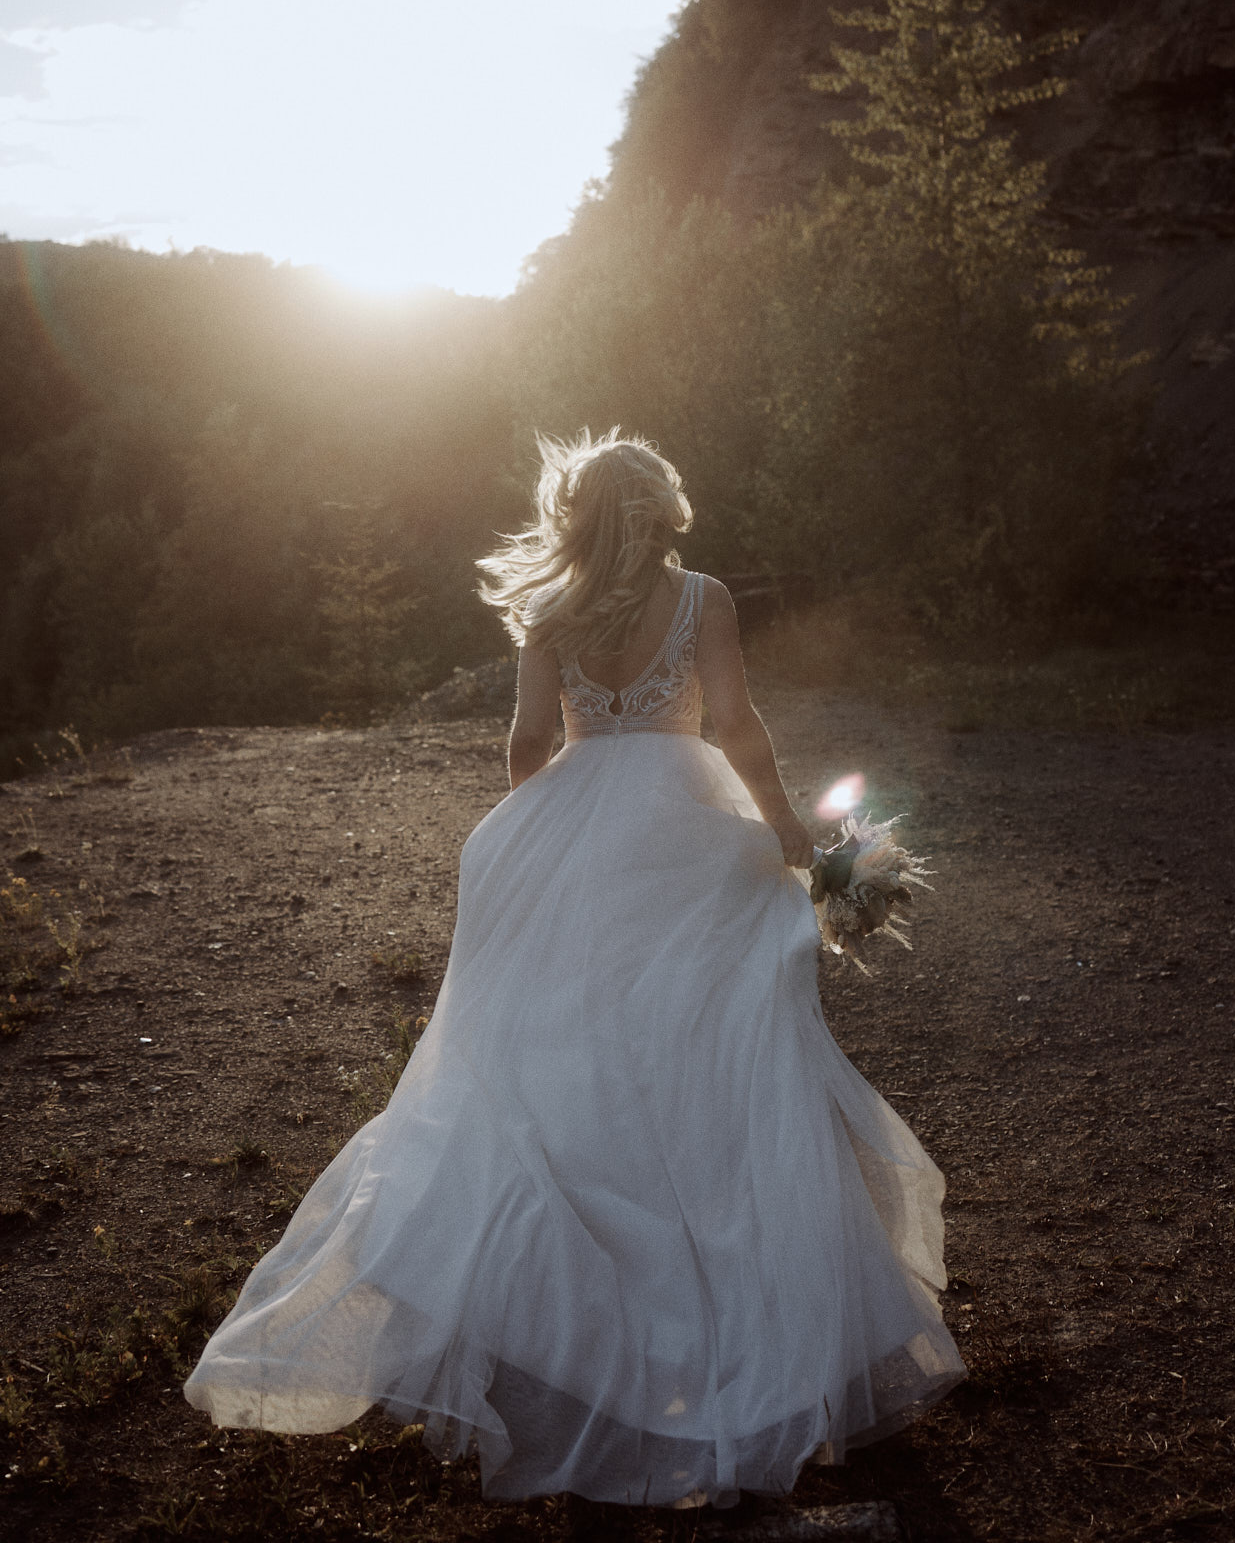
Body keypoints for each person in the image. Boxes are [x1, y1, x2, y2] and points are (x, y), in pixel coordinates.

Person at [184, 430, 964, 1508]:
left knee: (570, 1055)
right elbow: (733, 721)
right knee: (719, 1049)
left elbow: (525, 740)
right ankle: (740, 1309)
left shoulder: (551, 608)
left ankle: (568, 1312)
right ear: (658, 508)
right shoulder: (704, 598)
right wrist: (787, 828)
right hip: (687, 827)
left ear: (577, 516)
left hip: (579, 815)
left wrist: (539, 827)